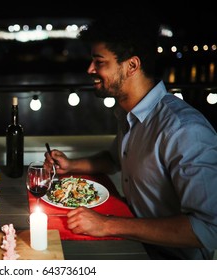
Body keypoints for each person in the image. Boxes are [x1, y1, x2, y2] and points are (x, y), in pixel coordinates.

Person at [44, 13, 217, 260]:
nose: (89, 69)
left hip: (172, 259)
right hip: (135, 240)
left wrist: (106, 224)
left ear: (132, 66)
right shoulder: (129, 113)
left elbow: (208, 228)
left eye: (99, 62)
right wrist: (71, 165)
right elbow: (114, 158)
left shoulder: (185, 130)